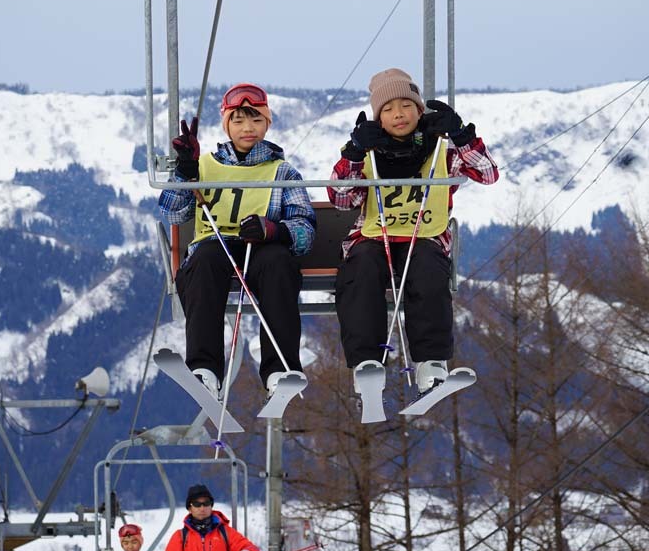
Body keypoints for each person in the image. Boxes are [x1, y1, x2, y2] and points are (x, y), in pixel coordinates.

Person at [328, 68, 499, 395]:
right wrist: (354, 153)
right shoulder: (367, 153)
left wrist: (461, 136)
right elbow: (341, 199)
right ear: (378, 118)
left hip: (424, 235)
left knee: (428, 266)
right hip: (376, 236)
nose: (399, 115)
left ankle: (431, 361)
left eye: (406, 106)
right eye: (388, 109)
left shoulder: (440, 149)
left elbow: (488, 174)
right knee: (361, 267)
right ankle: (367, 364)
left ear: (420, 110)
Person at [158, 83, 316, 399]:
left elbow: (305, 229)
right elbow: (173, 214)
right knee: (204, 263)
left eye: (256, 120)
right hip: (215, 246)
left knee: (279, 264)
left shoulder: (281, 172)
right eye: (239, 121)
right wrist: (184, 175)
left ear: (267, 124)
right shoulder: (204, 166)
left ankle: (280, 368)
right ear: (227, 125)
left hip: (261, 248)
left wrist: (274, 231)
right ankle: (205, 368)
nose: (248, 128)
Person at [164, 484, 260, 551]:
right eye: (197, 504)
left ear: (211, 506)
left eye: (206, 503)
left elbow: (251, 549)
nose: (202, 508)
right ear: (189, 508)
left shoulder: (225, 533)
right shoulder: (180, 537)